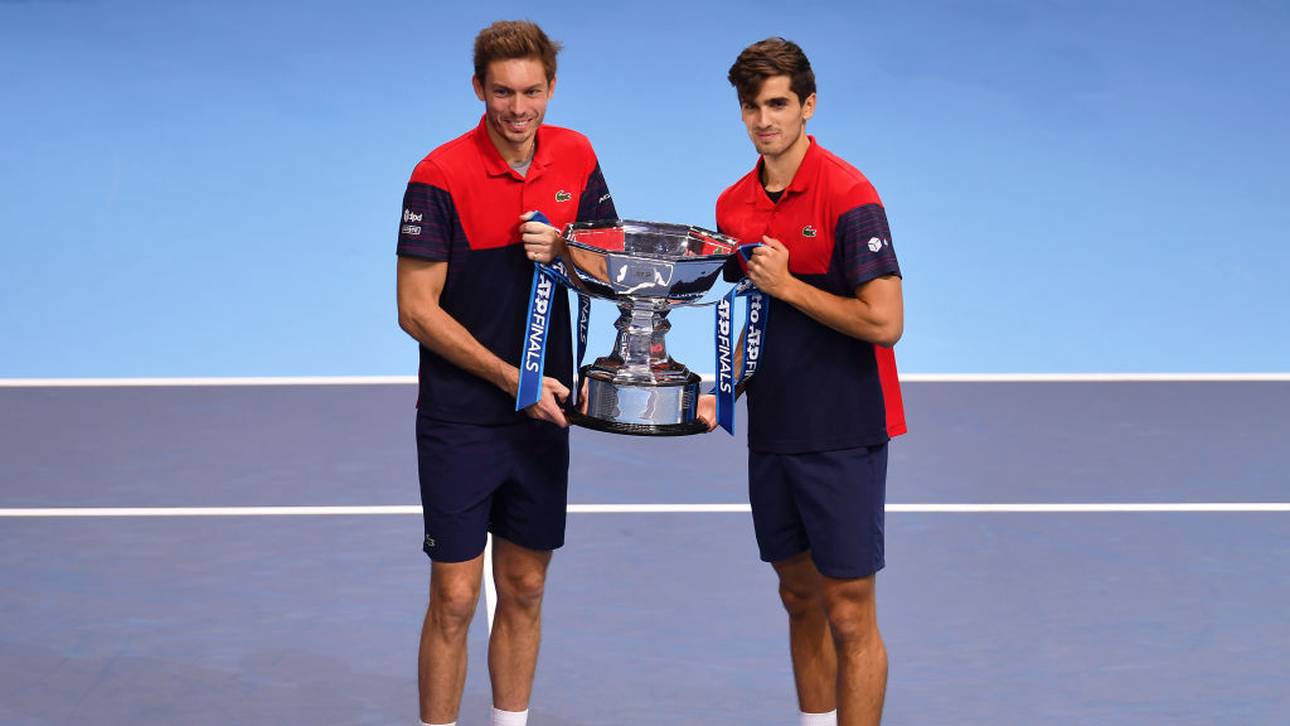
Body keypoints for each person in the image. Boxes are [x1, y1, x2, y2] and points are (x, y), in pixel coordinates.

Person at [394, 20, 616, 726]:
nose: (518, 110)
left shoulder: (577, 157)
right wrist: (507, 377)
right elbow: (415, 310)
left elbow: (613, 270)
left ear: (550, 87)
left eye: (532, 92)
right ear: (477, 90)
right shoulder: (439, 176)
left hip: (543, 414)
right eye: (502, 93)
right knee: (456, 599)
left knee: (522, 588)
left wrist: (568, 246)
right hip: (463, 418)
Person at [701, 37, 906, 726]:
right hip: (776, 430)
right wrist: (720, 389)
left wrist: (790, 286)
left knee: (849, 610)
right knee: (797, 594)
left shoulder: (851, 195)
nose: (766, 119)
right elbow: (745, 315)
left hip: (845, 429)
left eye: (780, 104)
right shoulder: (733, 206)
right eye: (753, 106)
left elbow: (885, 321)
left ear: (808, 106)